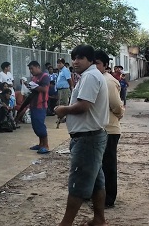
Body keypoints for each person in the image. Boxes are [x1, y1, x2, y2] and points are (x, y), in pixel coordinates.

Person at [54, 45, 109, 226]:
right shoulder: (90, 76)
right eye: (74, 58)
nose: (76, 61)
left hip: (88, 139)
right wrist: (67, 114)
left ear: (90, 60)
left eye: (81, 58)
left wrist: (63, 109)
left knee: (78, 183)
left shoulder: (90, 77)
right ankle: (99, 220)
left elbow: (83, 106)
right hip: (91, 136)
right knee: (96, 182)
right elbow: (86, 108)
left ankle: (66, 223)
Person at [95, 50, 124, 208]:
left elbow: (116, 106)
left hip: (109, 129)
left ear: (106, 65)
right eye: (92, 62)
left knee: (108, 166)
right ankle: (98, 196)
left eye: (98, 63)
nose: (94, 66)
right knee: (97, 165)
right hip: (98, 129)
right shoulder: (94, 79)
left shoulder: (108, 81)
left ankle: (108, 198)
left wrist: (120, 114)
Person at [16, 61, 50, 154]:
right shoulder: (34, 78)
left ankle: (45, 145)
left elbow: (44, 89)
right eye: (30, 69)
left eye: (32, 68)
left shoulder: (45, 76)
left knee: (40, 125)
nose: (31, 71)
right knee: (35, 125)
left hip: (41, 105)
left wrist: (33, 86)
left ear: (38, 67)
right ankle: (40, 144)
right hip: (33, 104)